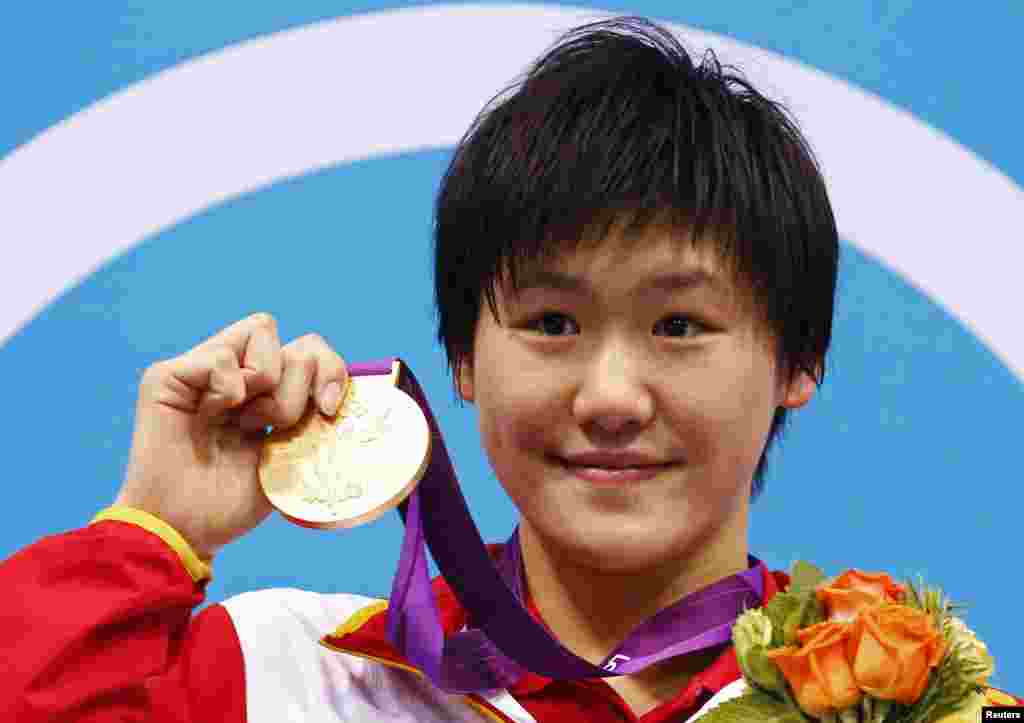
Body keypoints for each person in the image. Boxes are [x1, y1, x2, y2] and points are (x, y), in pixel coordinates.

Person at [0, 16, 1017, 723]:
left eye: (677, 325)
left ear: (797, 359)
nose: (610, 397)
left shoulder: (916, 700)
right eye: (550, 321)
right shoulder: (283, 678)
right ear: (460, 361)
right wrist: (150, 531)